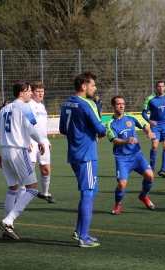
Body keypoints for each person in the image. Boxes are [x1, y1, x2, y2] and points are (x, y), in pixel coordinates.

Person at [0, 80, 46, 240]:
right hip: (18, 152)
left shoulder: (4, 109)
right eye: (29, 91)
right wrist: (41, 142)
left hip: (5, 152)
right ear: (21, 93)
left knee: (12, 190)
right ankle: (8, 221)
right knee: (33, 189)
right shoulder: (25, 107)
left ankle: (8, 229)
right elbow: (30, 129)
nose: (31, 93)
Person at [59, 71, 106, 248]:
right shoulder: (87, 104)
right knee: (88, 192)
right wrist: (100, 131)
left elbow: (63, 129)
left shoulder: (66, 103)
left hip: (74, 154)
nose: (95, 88)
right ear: (84, 86)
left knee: (90, 191)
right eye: (93, 85)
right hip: (86, 155)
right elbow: (100, 129)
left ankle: (79, 231)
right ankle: (83, 237)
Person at [107, 95, 156, 215]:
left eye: (123, 103)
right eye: (118, 104)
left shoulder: (131, 117)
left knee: (150, 176)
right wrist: (126, 141)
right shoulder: (110, 123)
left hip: (136, 155)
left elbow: (144, 126)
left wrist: (149, 132)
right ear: (113, 106)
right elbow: (114, 139)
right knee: (122, 184)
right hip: (122, 158)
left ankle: (143, 196)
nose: (121, 106)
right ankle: (118, 205)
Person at [24, 81, 56, 203]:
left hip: (43, 141)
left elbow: (42, 126)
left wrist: (46, 139)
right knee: (29, 168)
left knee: (46, 168)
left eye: (42, 91)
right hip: (31, 140)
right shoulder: (28, 105)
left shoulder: (42, 106)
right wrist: (27, 140)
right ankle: (20, 196)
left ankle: (44, 193)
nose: (41, 93)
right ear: (32, 93)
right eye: (38, 91)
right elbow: (24, 124)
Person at [142, 81, 165, 178]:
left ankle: (163, 170)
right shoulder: (150, 99)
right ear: (155, 88)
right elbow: (144, 113)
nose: (161, 88)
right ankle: (151, 168)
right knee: (154, 145)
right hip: (155, 126)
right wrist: (149, 121)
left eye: (162, 86)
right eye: (159, 86)